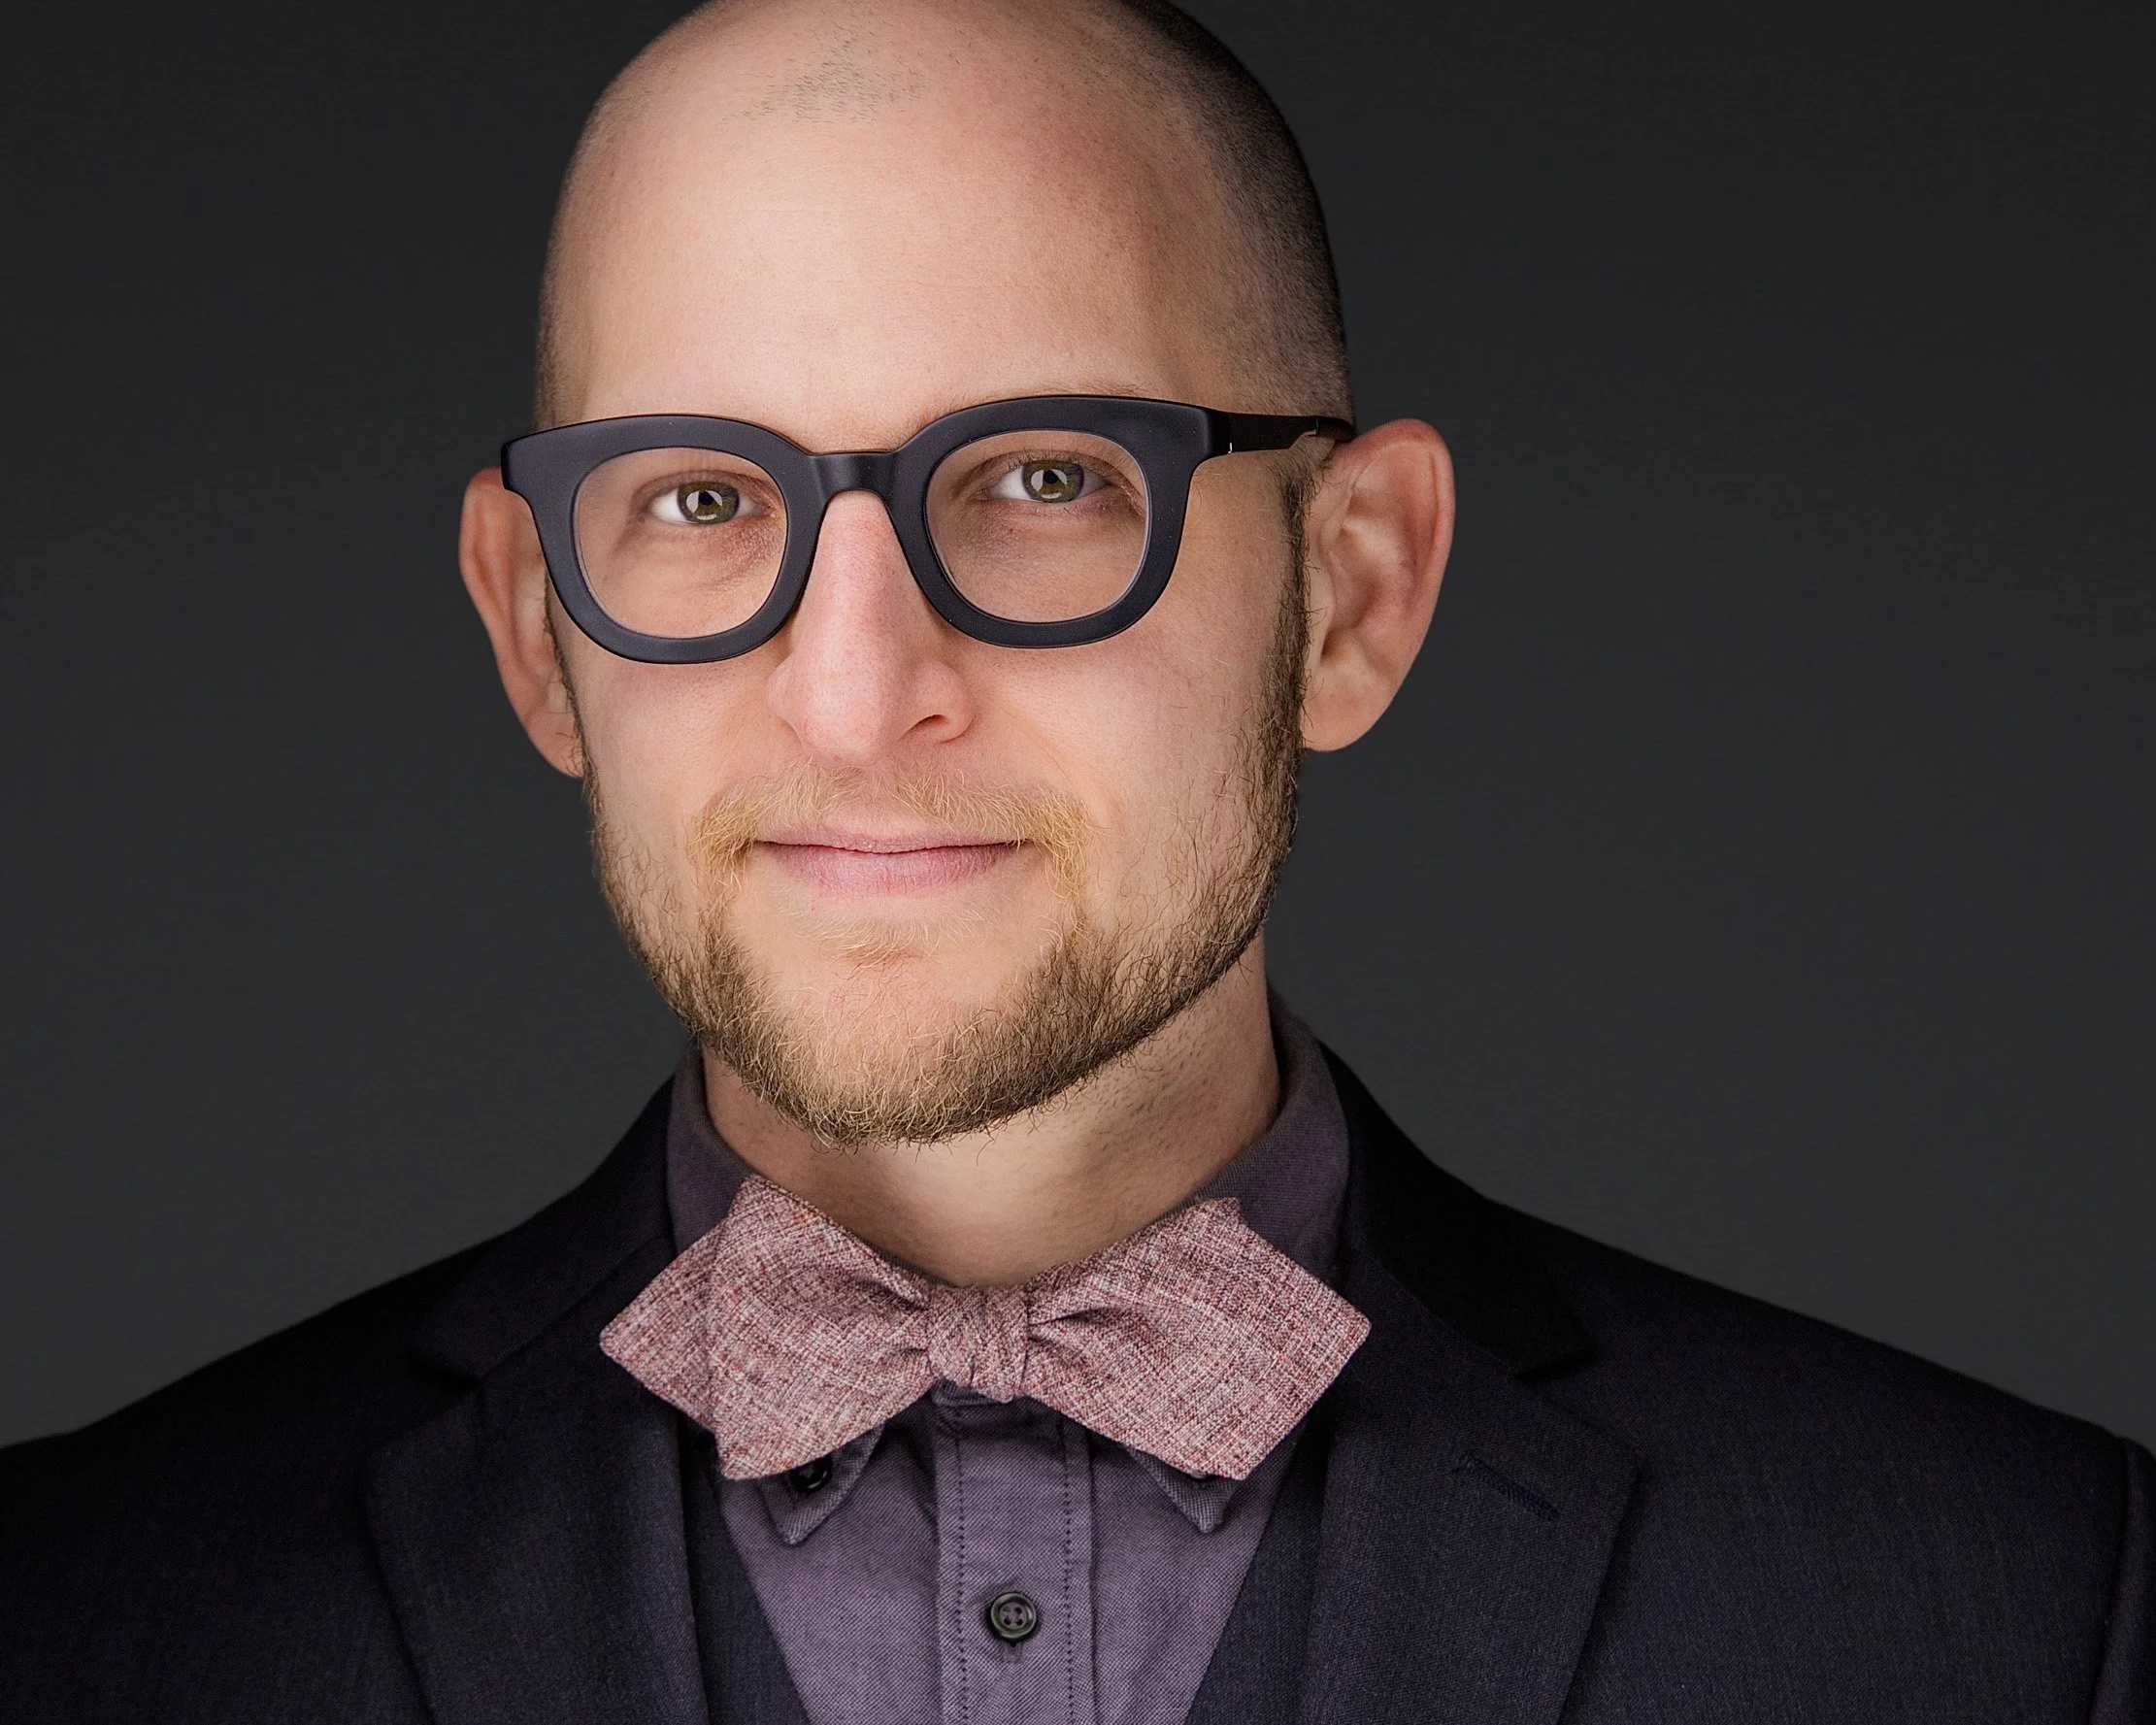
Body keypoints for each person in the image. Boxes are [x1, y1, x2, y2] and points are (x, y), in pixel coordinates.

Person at [2, 0, 2148, 1718]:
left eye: (1041, 474)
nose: (854, 695)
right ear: (535, 627)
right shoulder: (74, 1619)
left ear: (1355, 589)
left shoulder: (2028, 1613)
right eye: (694, 499)